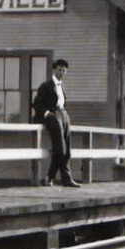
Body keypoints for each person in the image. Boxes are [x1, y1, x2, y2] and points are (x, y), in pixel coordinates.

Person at [32, 59, 80, 188]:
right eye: (59, 69)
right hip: (52, 116)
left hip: (63, 115)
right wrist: (48, 114)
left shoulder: (62, 86)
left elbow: (62, 103)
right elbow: (36, 103)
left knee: (67, 149)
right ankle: (58, 177)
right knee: (61, 149)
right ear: (54, 70)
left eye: (64, 70)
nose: (61, 72)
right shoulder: (46, 85)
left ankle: (59, 179)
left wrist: (64, 115)